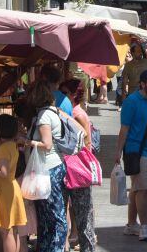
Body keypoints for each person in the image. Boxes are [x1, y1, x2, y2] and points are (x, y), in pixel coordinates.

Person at [115, 70, 147, 242]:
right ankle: (144, 226)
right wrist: (118, 151)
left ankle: (130, 224)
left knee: (136, 188)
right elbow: (124, 128)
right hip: (136, 150)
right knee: (143, 189)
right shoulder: (131, 102)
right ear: (142, 83)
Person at [25, 80, 68, 252]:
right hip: (48, 169)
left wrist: (27, 142)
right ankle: (48, 247)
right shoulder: (48, 113)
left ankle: (55, 248)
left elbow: (47, 144)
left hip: (49, 169)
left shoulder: (44, 117)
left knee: (54, 215)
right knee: (47, 214)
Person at [59, 79, 97, 252]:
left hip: (77, 166)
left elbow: (86, 141)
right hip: (71, 165)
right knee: (78, 209)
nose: (62, 95)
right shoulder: (73, 111)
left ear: (74, 94)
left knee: (83, 212)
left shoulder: (76, 113)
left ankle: (87, 246)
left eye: (65, 92)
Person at [0, 114, 27, 252]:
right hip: (11, 189)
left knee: (6, 232)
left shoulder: (4, 148)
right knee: (13, 231)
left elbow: (3, 172)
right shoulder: (12, 145)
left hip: (5, 192)